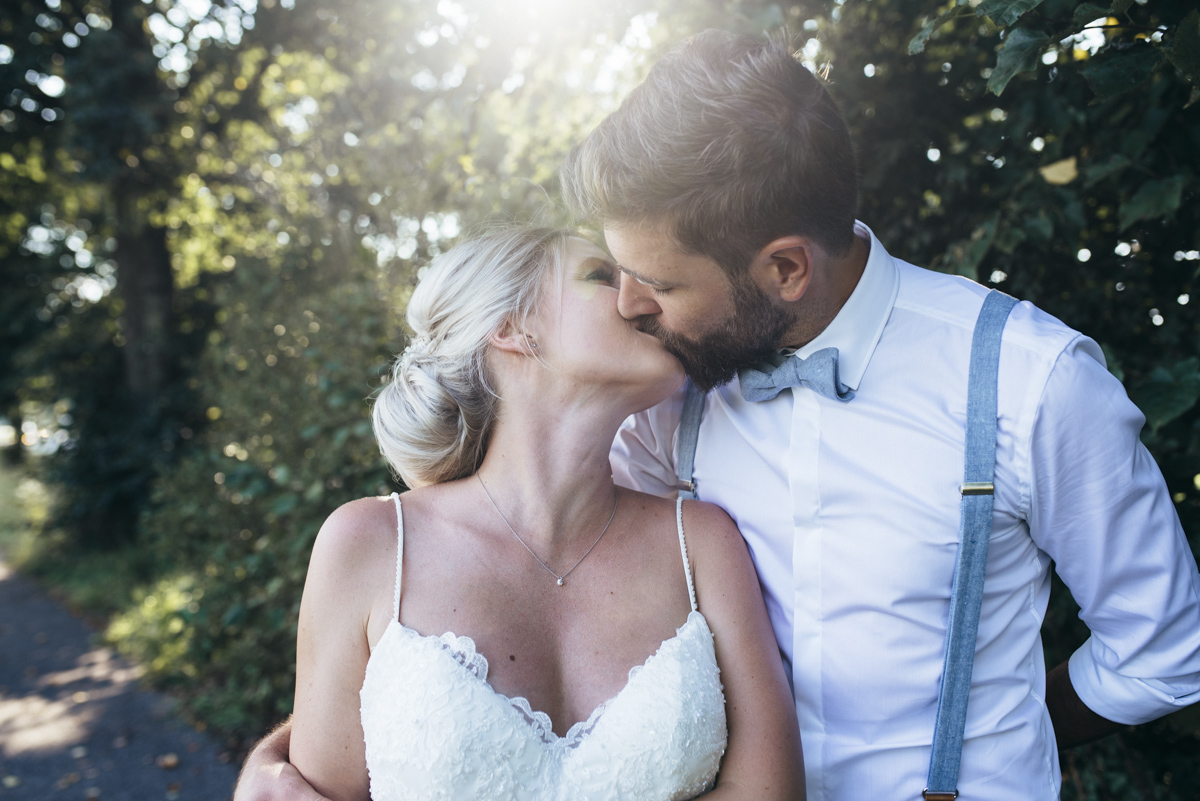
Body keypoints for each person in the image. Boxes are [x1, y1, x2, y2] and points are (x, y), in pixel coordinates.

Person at [237, 30, 1200, 801]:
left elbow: (1166, 653)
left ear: (784, 268)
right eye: (613, 277)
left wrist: (1006, 720)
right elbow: (468, 583)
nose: (631, 305)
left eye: (655, 281)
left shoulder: (1033, 384)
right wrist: (285, 754)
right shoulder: (665, 408)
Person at [274, 225, 803, 801]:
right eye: (601, 276)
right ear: (511, 328)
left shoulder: (700, 541)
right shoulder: (371, 545)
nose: (640, 297)